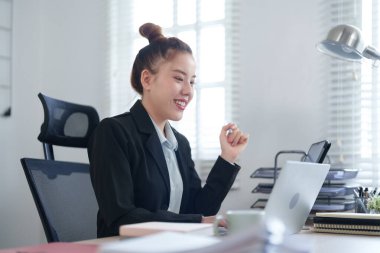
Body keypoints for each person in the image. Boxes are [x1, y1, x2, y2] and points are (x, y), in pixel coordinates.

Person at [87, 22, 249, 238]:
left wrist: (227, 157)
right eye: (179, 78)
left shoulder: (179, 144)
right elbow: (122, 217)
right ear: (147, 79)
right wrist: (198, 221)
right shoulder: (114, 132)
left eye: (192, 82)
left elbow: (200, 208)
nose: (188, 91)